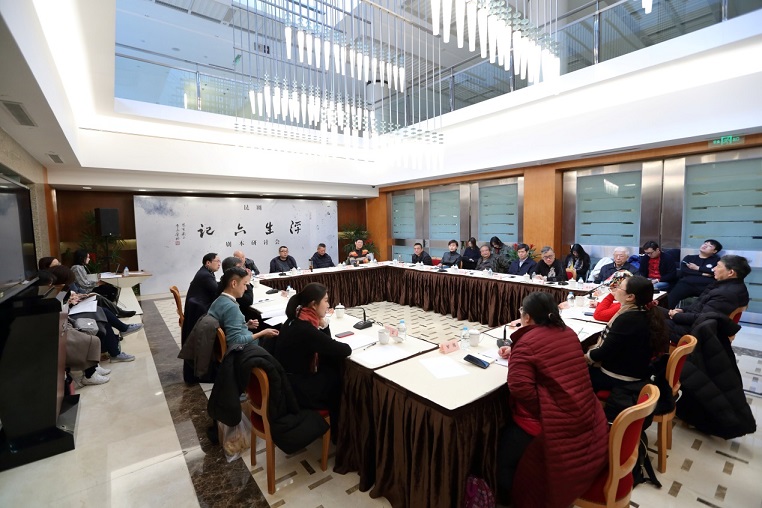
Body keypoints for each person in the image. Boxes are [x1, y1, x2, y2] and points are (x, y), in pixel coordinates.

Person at [496, 292, 608, 507]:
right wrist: (515, 350)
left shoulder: (527, 342)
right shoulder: (568, 332)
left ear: (527, 317)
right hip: (585, 412)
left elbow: (520, 389)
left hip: (552, 422)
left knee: (503, 458)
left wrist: (546, 408)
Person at [273, 283, 351, 432]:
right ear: (314, 305)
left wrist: (323, 325)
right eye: (326, 301)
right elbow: (344, 350)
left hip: (287, 382)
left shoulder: (294, 319)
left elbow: (324, 345)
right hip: (296, 390)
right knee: (336, 375)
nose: (328, 305)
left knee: (328, 363)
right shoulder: (306, 329)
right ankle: (337, 429)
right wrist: (325, 326)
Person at [586, 276, 669, 392]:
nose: (615, 289)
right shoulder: (643, 310)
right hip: (636, 370)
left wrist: (584, 357)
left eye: (619, 287)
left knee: (571, 372)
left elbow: (603, 353)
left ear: (630, 297)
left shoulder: (628, 319)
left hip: (621, 378)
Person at [664, 255, 751, 344]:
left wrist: (676, 316)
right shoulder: (730, 286)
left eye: (718, 266)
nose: (714, 269)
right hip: (693, 323)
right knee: (656, 311)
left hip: (693, 332)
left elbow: (703, 319)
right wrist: (682, 310)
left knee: (655, 322)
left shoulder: (725, 293)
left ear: (731, 272)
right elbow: (700, 305)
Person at [207, 266, 279, 348]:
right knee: (277, 338)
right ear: (234, 284)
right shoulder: (232, 307)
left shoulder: (218, 301)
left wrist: (245, 325)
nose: (246, 288)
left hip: (242, 341)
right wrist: (262, 333)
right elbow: (235, 341)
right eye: (244, 284)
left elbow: (227, 328)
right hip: (248, 349)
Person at [667, 239, 723, 309]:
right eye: (705, 244)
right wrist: (702, 273)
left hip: (705, 286)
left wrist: (697, 268)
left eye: (710, 246)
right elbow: (684, 271)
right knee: (670, 300)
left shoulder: (717, 261)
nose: (705, 246)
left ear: (714, 251)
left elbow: (714, 271)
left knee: (708, 304)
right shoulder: (689, 258)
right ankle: (666, 313)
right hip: (686, 284)